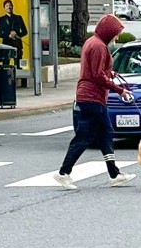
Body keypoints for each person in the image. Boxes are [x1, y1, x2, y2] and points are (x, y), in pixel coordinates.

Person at [54, 13, 135, 190]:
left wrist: (110, 74)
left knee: (105, 133)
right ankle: (63, 172)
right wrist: (119, 90)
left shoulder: (92, 42)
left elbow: (95, 71)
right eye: (116, 33)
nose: (117, 37)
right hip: (93, 97)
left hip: (88, 96)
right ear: (108, 31)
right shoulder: (99, 47)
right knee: (85, 137)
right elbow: (98, 76)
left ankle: (114, 174)